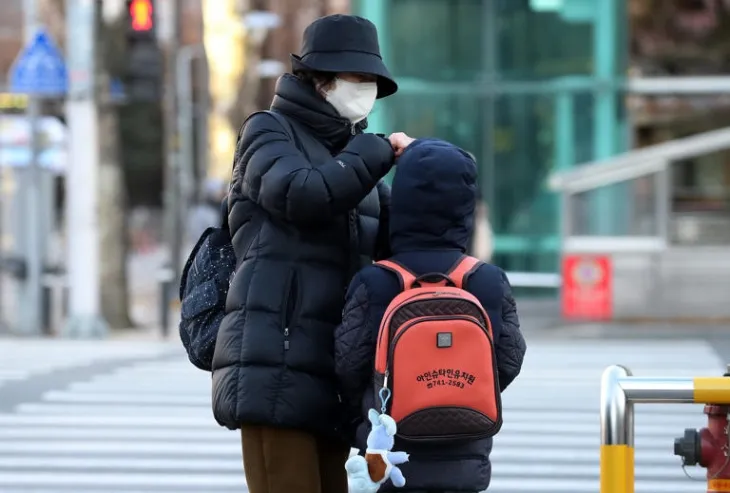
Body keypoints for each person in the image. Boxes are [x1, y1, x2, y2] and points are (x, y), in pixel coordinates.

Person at [211, 14, 414, 493]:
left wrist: (436, 178)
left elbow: (393, 243)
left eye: (372, 81)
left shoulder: (354, 156)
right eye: (356, 78)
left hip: (332, 369)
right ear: (319, 79)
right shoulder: (268, 131)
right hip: (274, 362)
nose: (365, 90)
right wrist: (377, 151)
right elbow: (301, 193)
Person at [334, 139, 527, 493]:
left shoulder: (375, 281)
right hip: (467, 449)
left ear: (402, 202)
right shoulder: (487, 280)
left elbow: (348, 364)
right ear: (466, 207)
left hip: (390, 455)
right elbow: (509, 360)